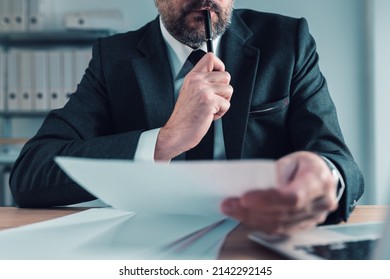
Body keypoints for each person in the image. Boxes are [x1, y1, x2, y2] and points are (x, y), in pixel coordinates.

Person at [10, 0, 364, 235]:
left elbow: (338, 161)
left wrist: (324, 178)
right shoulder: (113, 59)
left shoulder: (288, 41)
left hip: (262, 243)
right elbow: (31, 174)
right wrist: (165, 140)